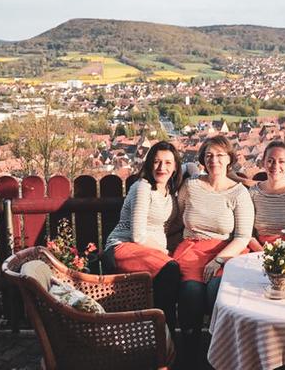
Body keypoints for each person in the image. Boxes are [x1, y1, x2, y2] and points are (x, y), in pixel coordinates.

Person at [173, 135, 255, 347]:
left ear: (229, 159)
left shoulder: (239, 193)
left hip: (226, 252)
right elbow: (180, 216)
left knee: (216, 290)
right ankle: (190, 348)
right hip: (192, 250)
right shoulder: (191, 186)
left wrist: (218, 260)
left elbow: (243, 236)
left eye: (220, 155)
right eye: (209, 155)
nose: (214, 160)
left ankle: (221, 346)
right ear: (203, 159)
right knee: (191, 292)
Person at [103, 141, 183, 332]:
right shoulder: (142, 188)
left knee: (169, 277)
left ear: (175, 167)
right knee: (171, 270)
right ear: (149, 164)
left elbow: (191, 167)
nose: (162, 167)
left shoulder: (169, 191)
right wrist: (165, 254)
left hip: (148, 254)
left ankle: (160, 336)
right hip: (122, 247)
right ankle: (167, 337)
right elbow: (138, 235)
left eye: (168, 163)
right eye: (156, 162)